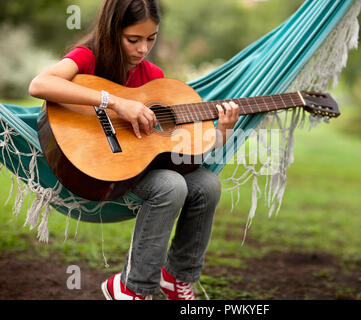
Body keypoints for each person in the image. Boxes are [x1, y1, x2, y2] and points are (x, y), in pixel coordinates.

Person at [28, 0, 239, 300]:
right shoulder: (89, 58)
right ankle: (131, 288)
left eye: (150, 39)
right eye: (133, 40)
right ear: (112, 31)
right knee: (171, 186)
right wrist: (114, 102)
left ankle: (175, 277)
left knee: (207, 184)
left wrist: (221, 132)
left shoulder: (153, 76)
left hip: (140, 165)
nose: (142, 49)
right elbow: (39, 85)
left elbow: (180, 145)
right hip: (98, 166)